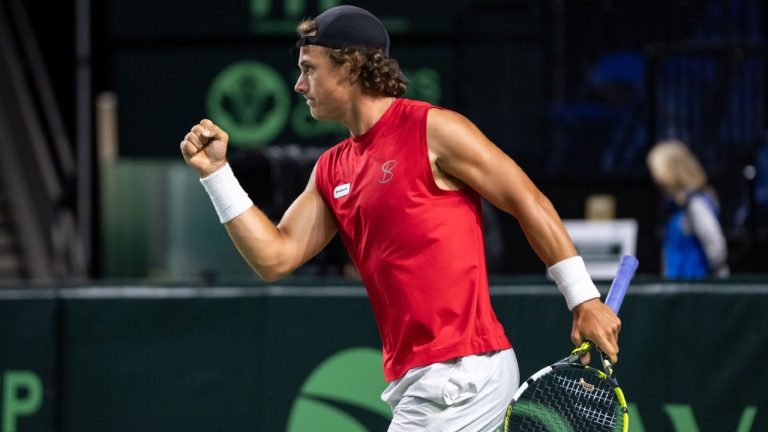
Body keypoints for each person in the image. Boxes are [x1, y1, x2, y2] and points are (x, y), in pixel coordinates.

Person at [180, 5, 621, 431]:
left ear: (350, 67)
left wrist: (583, 299)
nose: (298, 84)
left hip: (459, 374)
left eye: (309, 68)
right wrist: (218, 175)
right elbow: (273, 258)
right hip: (423, 377)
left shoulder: (434, 130)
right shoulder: (331, 168)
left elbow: (527, 199)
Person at [647, 139, 729, 278]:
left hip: (697, 289)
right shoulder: (675, 207)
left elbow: (716, 248)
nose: (655, 179)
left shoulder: (696, 204)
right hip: (678, 288)